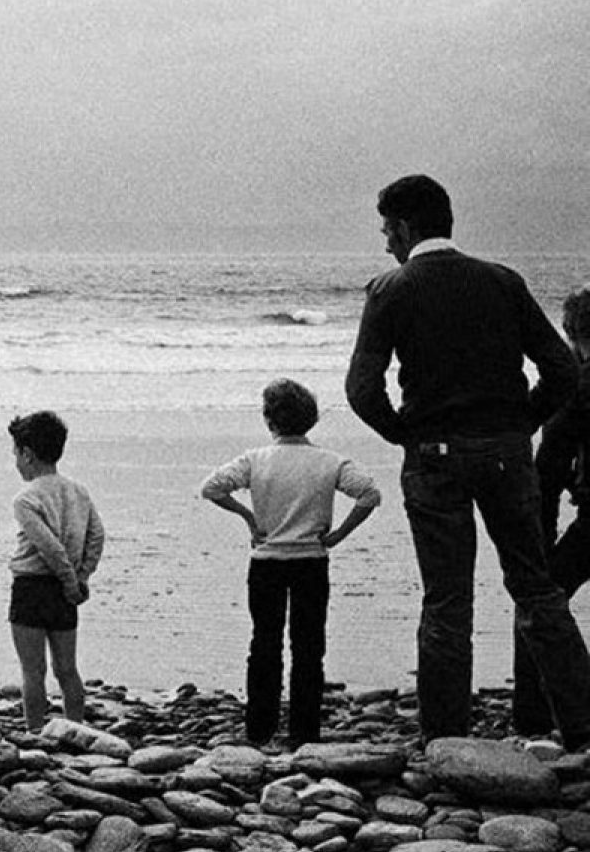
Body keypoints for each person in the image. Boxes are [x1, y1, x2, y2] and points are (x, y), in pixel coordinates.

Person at [346, 173, 590, 746]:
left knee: (447, 600)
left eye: (387, 230)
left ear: (405, 228)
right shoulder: (503, 281)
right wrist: (521, 423)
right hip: (505, 452)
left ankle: (446, 738)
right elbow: (561, 369)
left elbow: (362, 389)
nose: (386, 242)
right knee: (536, 589)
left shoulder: (391, 289)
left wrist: (404, 433)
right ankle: (581, 728)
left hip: (435, 456)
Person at [200, 379, 381, 746]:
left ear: (270, 419)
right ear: (310, 419)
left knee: (264, 644)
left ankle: (259, 729)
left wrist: (249, 517)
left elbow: (212, 488)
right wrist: (338, 535)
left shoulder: (255, 459)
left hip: (266, 561)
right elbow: (369, 494)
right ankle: (304, 732)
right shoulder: (330, 461)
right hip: (311, 561)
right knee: (309, 647)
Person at [517, 286, 590, 734]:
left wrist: (539, 534)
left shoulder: (581, 384)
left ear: (570, 331)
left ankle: (535, 717)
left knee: (539, 598)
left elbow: (550, 462)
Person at [5, 411, 105, 733]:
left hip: (32, 587)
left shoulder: (26, 498)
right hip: (65, 591)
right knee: (67, 669)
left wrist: (69, 577)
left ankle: (35, 732)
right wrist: (81, 576)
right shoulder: (78, 491)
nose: (16, 462)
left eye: (16, 454)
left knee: (33, 670)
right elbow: (97, 535)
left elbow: (49, 547)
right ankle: (77, 728)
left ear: (27, 454)